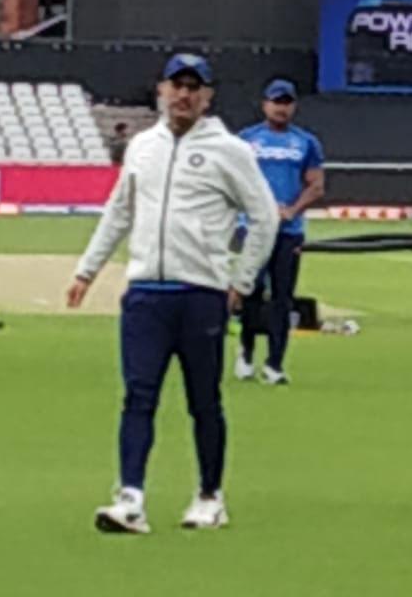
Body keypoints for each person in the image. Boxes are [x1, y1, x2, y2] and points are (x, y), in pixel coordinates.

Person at [66, 54, 279, 534]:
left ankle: (210, 495)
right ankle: (131, 497)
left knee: (203, 399)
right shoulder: (143, 146)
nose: (183, 95)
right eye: (176, 86)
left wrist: (241, 281)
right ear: (161, 90)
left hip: (200, 292)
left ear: (207, 96)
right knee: (138, 396)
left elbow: (264, 215)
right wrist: (87, 270)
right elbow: (120, 211)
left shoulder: (229, 151)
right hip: (146, 291)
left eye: (193, 87)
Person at [236, 79, 326, 385]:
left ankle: (274, 363)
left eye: (286, 102)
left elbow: (316, 186)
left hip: (289, 231)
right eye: (276, 102)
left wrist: (292, 210)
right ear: (265, 104)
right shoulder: (247, 139)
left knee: (282, 298)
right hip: (253, 229)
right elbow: (233, 180)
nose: (281, 108)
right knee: (249, 293)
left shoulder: (305, 142)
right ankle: (245, 354)